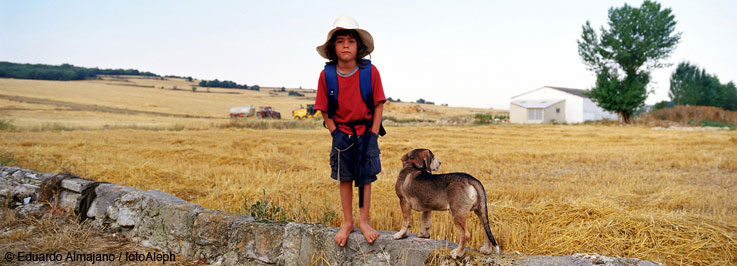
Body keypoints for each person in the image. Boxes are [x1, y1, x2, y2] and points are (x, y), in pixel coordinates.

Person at [314, 16, 386, 247]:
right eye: (340, 41)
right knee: (344, 179)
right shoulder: (326, 76)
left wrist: (373, 135)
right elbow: (323, 108)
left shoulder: (370, 72)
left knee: (365, 179)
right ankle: (348, 222)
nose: (346, 45)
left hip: (366, 133)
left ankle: (363, 221)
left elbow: (378, 104)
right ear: (333, 48)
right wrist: (335, 133)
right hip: (342, 134)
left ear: (359, 47)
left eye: (351, 41)